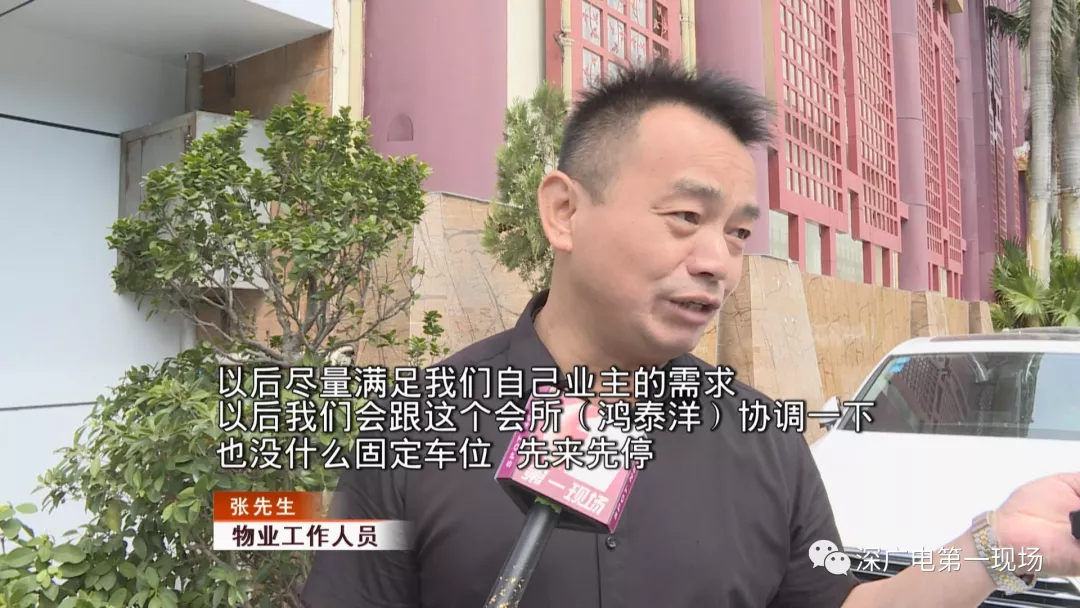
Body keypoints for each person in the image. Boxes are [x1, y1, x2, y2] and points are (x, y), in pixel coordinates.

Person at [300, 61, 1080, 607]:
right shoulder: (416, 425)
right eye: (685, 217)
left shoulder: (763, 438)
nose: (718, 263)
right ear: (564, 212)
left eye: (737, 233)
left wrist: (997, 547)